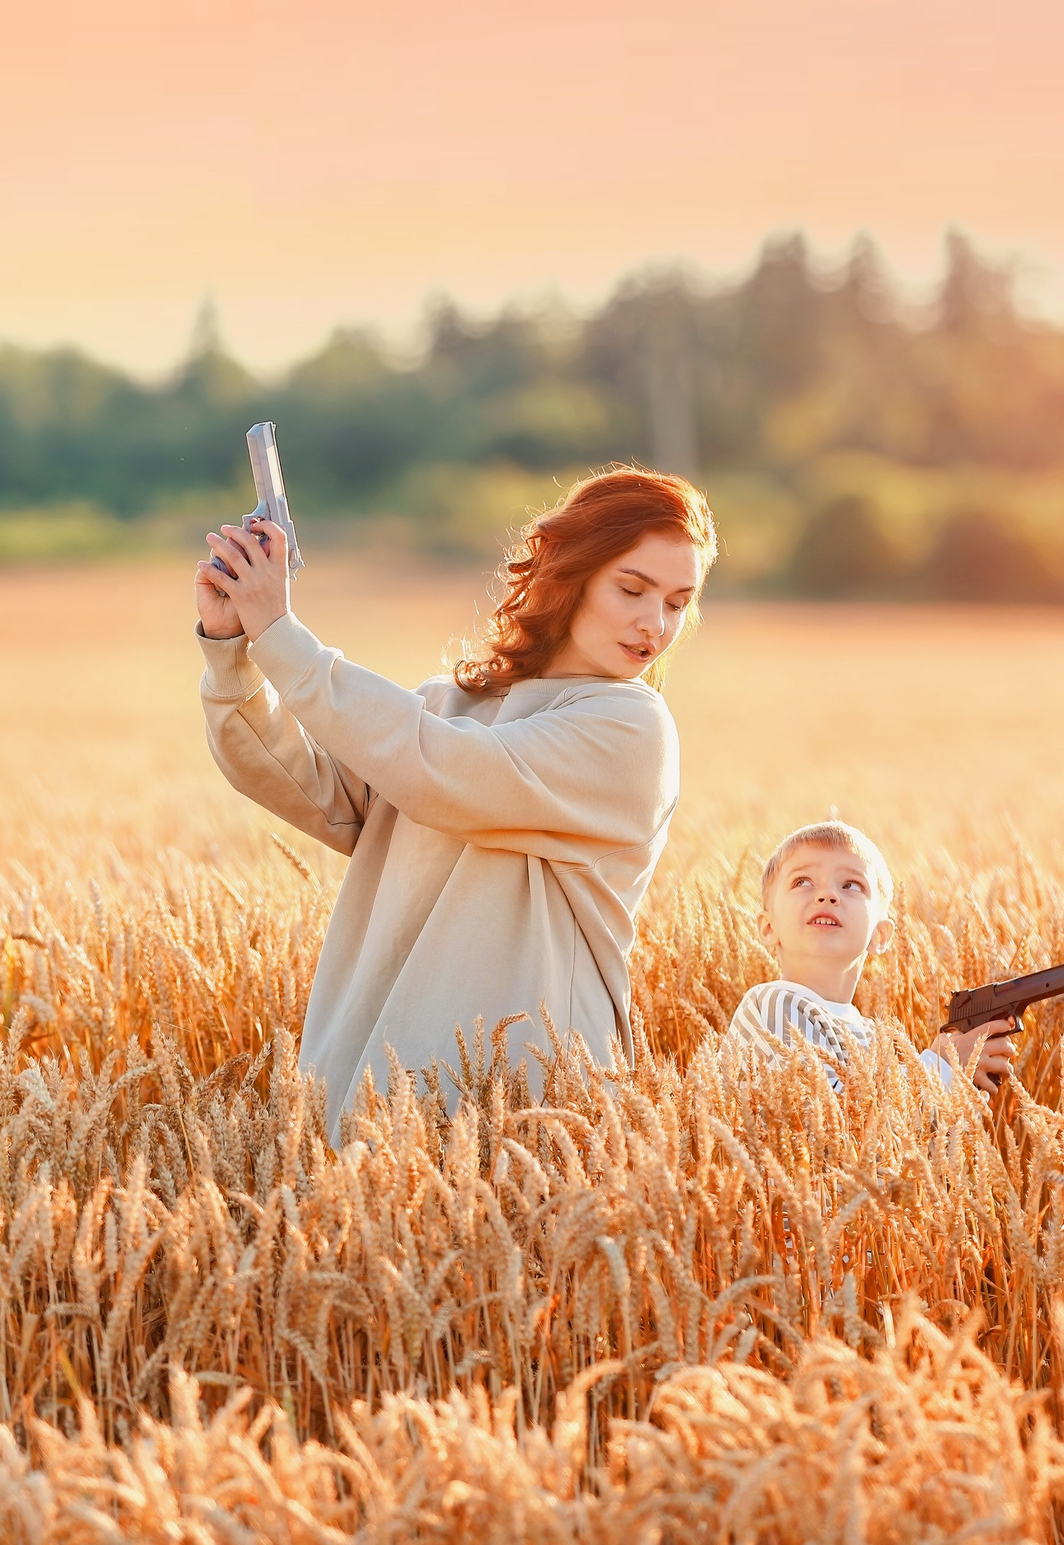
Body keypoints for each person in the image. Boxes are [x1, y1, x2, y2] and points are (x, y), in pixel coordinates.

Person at [194, 465, 717, 1140]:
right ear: (571, 571)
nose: (655, 622)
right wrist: (232, 649)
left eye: (678, 601)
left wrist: (282, 634)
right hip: (379, 1082)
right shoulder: (450, 703)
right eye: (632, 588)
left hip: (529, 1105)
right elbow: (305, 783)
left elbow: (440, 771)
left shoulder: (630, 728)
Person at [731, 820, 1020, 1096]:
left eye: (851, 885)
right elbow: (822, 1117)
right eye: (803, 881)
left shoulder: (872, 1035)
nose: (828, 894)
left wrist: (960, 1081)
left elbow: (891, 1134)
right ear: (768, 928)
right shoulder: (772, 1004)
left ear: (879, 935)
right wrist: (939, 1068)